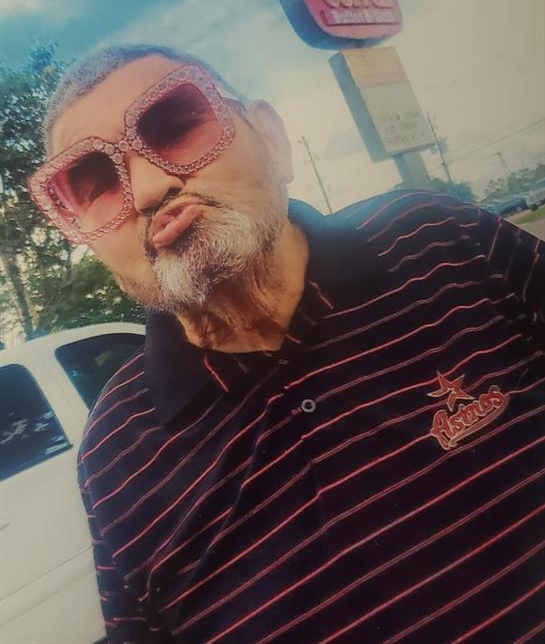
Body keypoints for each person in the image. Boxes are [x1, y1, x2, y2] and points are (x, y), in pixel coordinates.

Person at [30, 45, 545, 643]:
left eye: (174, 125)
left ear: (271, 140)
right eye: (94, 182)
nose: (147, 189)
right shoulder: (115, 453)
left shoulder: (443, 240)